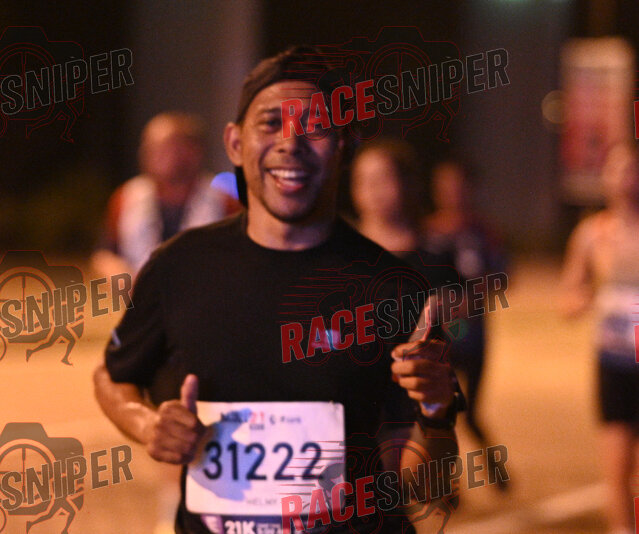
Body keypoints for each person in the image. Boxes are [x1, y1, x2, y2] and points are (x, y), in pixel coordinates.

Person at [94, 47, 461, 534]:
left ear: (345, 144)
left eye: (316, 127)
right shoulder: (178, 267)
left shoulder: (391, 288)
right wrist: (145, 425)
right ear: (234, 143)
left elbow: (428, 486)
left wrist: (436, 410)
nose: (291, 143)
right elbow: (113, 373)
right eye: (271, 123)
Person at [561, 141, 639, 534]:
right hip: (614, 363)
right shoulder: (591, 234)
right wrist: (587, 297)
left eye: (633, 169)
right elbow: (568, 298)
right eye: (618, 169)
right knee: (617, 470)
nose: (626, 179)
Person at [423, 158, 508, 490]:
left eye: (458, 186)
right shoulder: (427, 231)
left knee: (471, 414)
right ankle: (447, 486)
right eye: (445, 186)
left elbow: (504, 277)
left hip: (473, 337)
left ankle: (494, 468)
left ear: (471, 189)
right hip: (440, 339)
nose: (452, 193)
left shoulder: (483, 232)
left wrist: (471, 298)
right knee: (441, 413)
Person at [91, 111, 239, 277]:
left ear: (195, 151)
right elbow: (104, 253)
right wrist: (120, 274)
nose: (155, 154)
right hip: (140, 290)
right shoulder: (127, 197)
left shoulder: (224, 200)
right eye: (150, 146)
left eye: (167, 146)